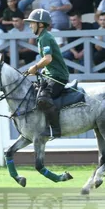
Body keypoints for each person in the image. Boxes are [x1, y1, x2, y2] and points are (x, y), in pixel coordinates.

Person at [24, 8, 69, 138]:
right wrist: (42, 70)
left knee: (43, 99)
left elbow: (48, 58)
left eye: (32, 23)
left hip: (58, 76)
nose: (30, 25)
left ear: (40, 24)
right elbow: (50, 60)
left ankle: (55, 130)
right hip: (51, 74)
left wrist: (35, 67)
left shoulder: (45, 38)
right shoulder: (42, 37)